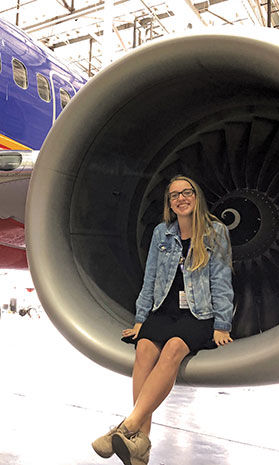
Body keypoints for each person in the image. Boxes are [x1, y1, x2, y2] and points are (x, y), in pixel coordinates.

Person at [92, 175, 234, 465]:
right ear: (169, 204)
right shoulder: (162, 233)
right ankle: (139, 446)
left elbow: (221, 279)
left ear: (197, 197)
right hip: (164, 310)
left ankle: (128, 429)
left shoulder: (215, 231)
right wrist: (141, 319)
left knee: (172, 349)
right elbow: (150, 279)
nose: (180, 199)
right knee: (144, 348)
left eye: (186, 193)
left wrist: (222, 324)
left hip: (198, 313)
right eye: (174, 196)